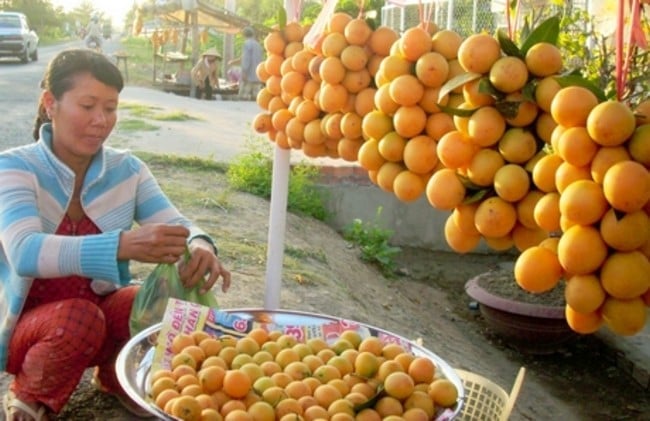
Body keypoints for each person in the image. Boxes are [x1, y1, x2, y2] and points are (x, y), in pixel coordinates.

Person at [0, 49, 231, 420]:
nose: (100, 121)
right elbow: (25, 252)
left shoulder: (127, 170)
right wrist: (124, 245)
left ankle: (113, 375)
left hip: (97, 314)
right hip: (29, 328)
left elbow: (177, 221)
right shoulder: (14, 167)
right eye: (88, 105)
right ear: (50, 103)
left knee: (159, 303)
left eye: (110, 108)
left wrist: (200, 243)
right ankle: (32, 393)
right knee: (78, 317)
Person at [237, 26, 264, 100]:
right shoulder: (258, 45)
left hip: (249, 75)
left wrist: (244, 71)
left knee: (243, 97)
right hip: (257, 75)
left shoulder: (247, 44)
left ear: (244, 35)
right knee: (256, 98)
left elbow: (246, 59)